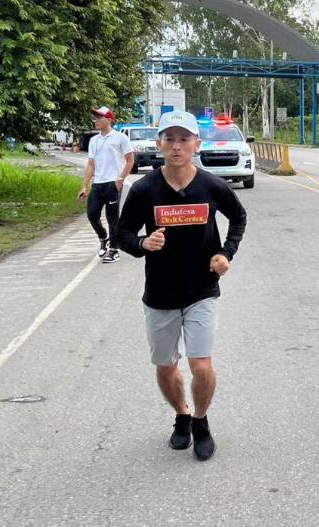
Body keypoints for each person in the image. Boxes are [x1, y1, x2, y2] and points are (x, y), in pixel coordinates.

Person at [116, 111, 247, 461]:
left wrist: (225, 253)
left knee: (201, 366)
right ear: (159, 144)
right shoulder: (144, 190)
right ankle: (182, 416)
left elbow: (238, 217)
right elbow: (122, 235)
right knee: (165, 365)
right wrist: (142, 243)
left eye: (184, 139)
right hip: (160, 294)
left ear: (196, 144)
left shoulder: (211, 186)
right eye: (170, 139)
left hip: (202, 290)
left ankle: (201, 422)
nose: (177, 146)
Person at [77, 106, 134, 263]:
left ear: (109, 119)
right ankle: (103, 238)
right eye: (95, 117)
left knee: (112, 218)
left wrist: (120, 179)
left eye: (99, 117)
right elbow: (91, 164)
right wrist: (84, 186)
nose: (96, 120)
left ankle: (114, 250)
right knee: (92, 214)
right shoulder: (94, 140)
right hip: (98, 184)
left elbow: (130, 161)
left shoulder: (120, 138)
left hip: (112, 183)